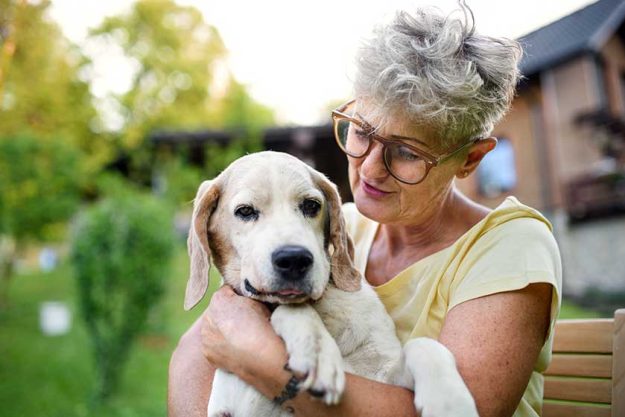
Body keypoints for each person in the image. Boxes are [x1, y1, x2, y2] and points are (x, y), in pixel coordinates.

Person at [168, 4, 562, 417]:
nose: (370, 168)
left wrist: (264, 361)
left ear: (469, 160)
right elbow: (204, 344)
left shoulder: (509, 246)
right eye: (361, 132)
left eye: (407, 152)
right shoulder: (330, 228)